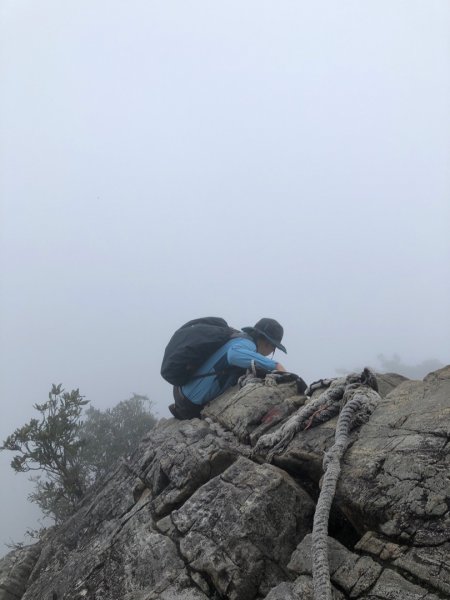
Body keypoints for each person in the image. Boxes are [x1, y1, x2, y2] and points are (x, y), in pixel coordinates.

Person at [169, 318, 287, 420]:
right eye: (274, 348)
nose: (272, 351)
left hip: (182, 393)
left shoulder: (237, 339)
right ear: (268, 343)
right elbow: (233, 355)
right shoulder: (247, 344)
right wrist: (276, 365)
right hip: (190, 404)